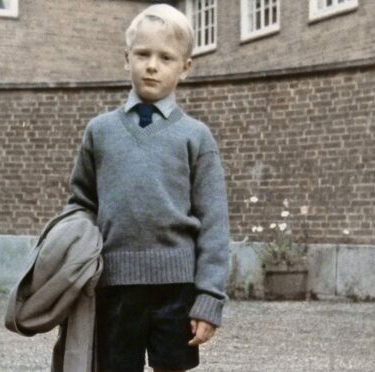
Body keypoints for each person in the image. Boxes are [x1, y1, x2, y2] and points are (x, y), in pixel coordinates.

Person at [67, 4, 230, 372]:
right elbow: (80, 203)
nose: (152, 65)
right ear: (126, 59)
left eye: (166, 57)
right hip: (113, 286)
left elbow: (215, 224)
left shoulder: (196, 137)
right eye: (142, 54)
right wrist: (66, 260)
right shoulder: (100, 131)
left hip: (177, 289)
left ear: (185, 67)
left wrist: (208, 298)